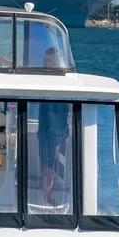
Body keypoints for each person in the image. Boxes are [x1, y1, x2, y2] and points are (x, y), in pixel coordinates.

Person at [37, 48, 70, 204]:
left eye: (48, 61)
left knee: (49, 167)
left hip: (54, 130)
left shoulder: (60, 80)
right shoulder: (47, 78)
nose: (45, 63)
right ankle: (46, 197)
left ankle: (46, 198)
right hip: (47, 128)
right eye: (44, 60)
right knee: (47, 166)